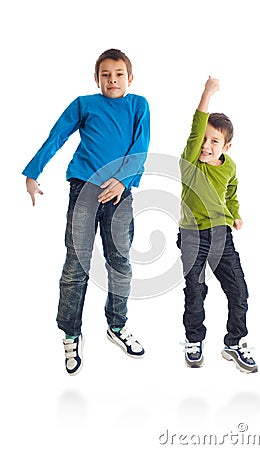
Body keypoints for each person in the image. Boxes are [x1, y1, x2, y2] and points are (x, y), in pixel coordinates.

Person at [22, 49, 150, 375]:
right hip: (84, 190)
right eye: (106, 74)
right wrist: (33, 172)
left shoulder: (139, 105)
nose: (112, 80)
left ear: (130, 78)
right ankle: (70, 333)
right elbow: (58, 135)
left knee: (119, 261)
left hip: (120, 193)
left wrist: (122, 181)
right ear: (97, 79)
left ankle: (116, 326)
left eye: (119, 74)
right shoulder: (85, 103)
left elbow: (141, 146)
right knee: (76, 263)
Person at [178, 76, 257, 373]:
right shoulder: (190, 161)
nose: (206, 146)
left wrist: (234, 213)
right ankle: (194, 339)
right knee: (195, 290)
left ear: (227, 146)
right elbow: (196, 128)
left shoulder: (230, 166)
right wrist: (207, 93)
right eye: (204, 139)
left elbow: (232, 190)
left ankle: (234, 343)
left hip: (222, 235)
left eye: (215, 141)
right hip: (191, 236)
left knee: (238, 290)